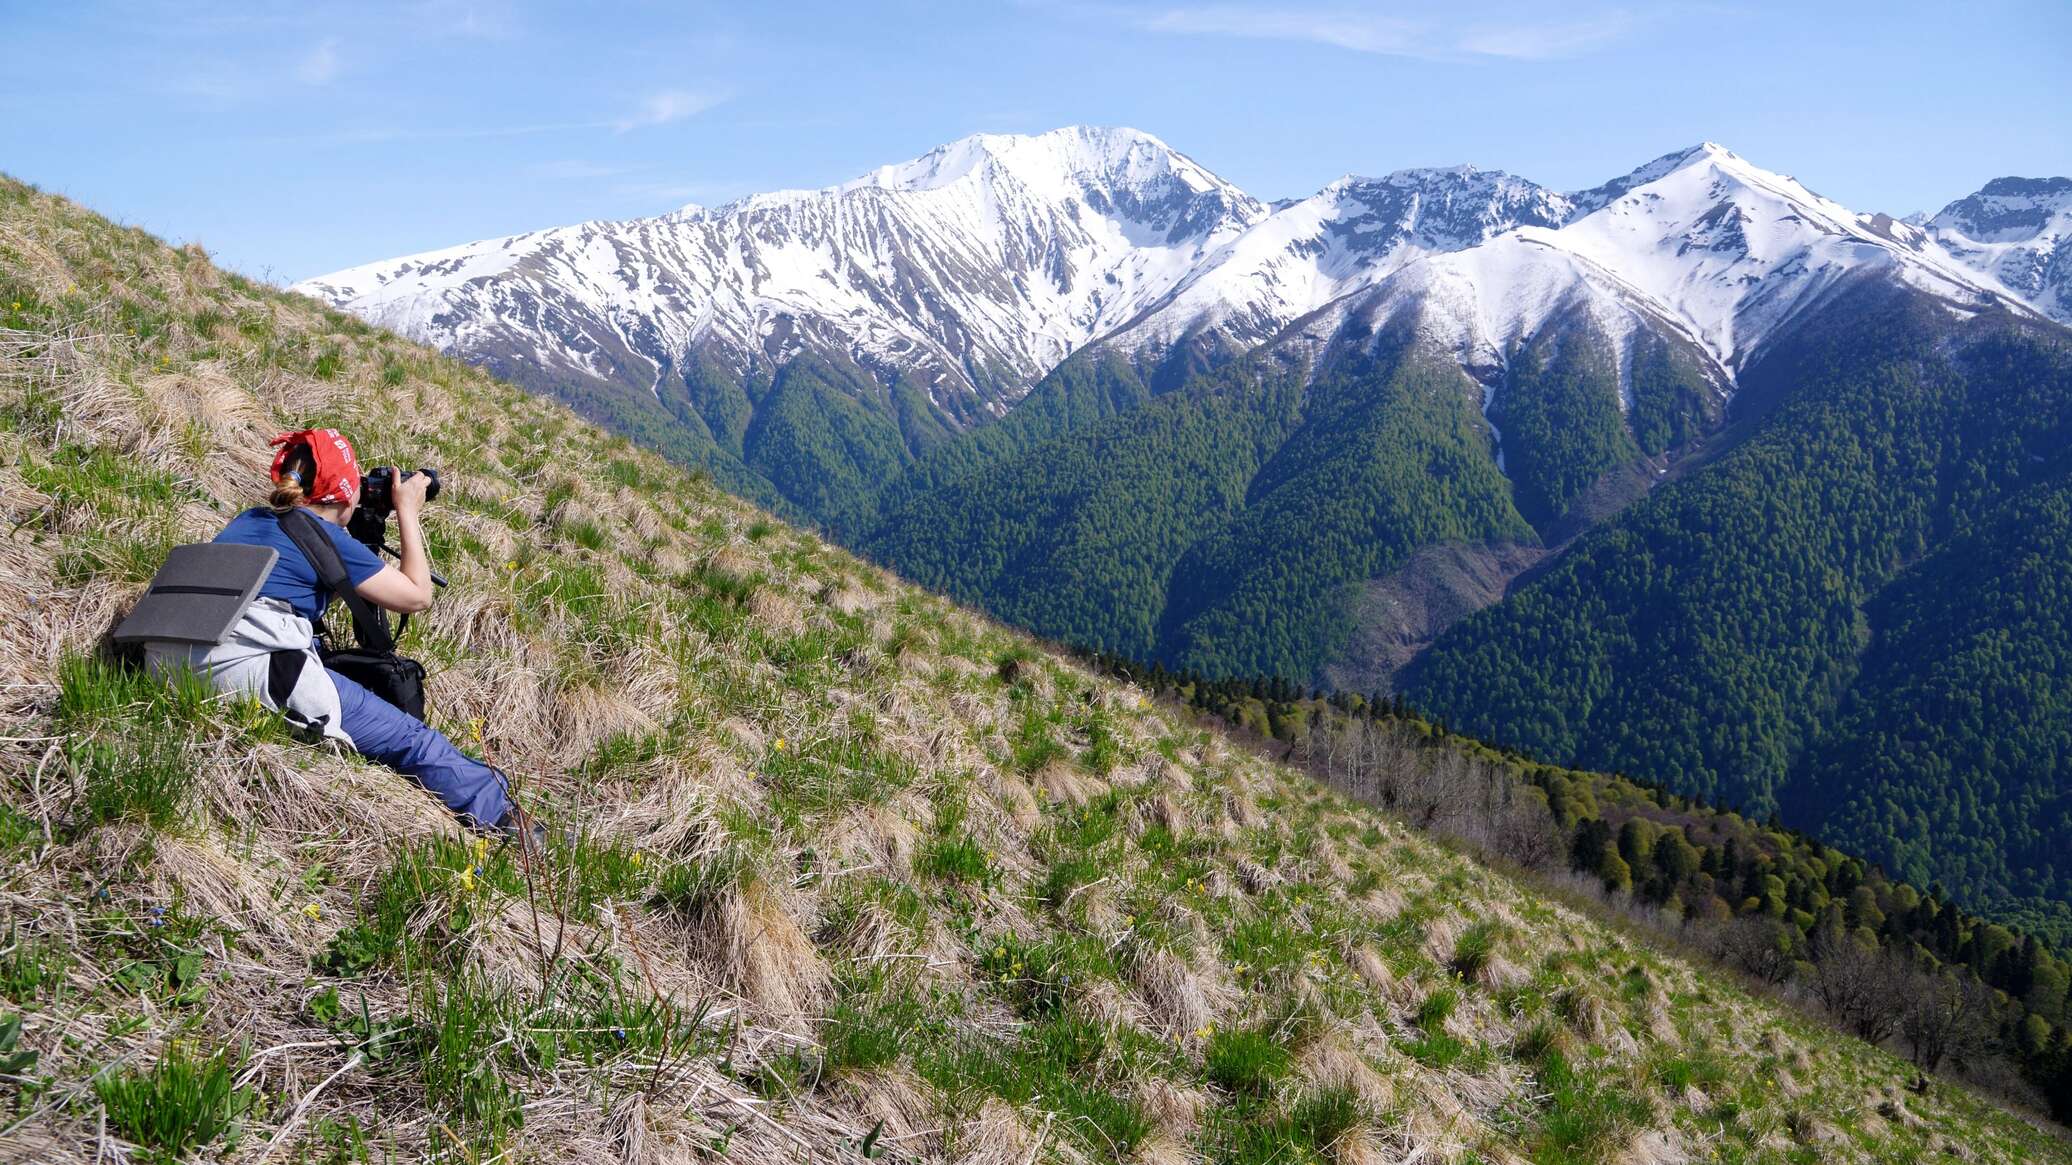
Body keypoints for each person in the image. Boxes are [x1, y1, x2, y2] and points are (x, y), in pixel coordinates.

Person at [146, 428, 528, 840]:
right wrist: (407, 511)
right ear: (345, 492)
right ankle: (505, 820)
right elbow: (417, 596)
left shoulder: (247, 520)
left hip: (165, 662)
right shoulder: (324, 534)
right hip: (246, 671)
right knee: (410, 739)